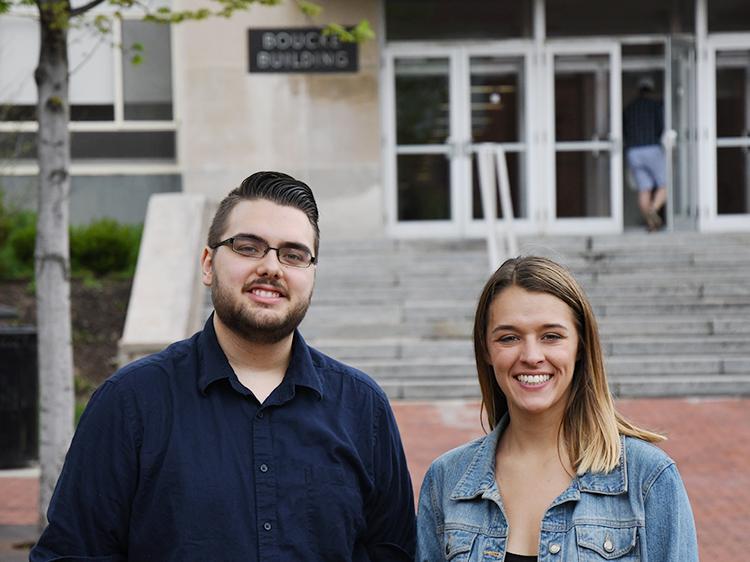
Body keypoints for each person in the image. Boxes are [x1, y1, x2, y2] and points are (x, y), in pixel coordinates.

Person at [31, 171, 416, 561]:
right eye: (249, 247)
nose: (272, 267)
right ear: (207, 264)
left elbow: (393, 552)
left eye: (294, 255)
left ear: (311, 275)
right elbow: (73, 553)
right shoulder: (130, 402)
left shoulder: (362, 407)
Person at [416, 256, 698, 562]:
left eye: (551, 336)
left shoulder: (648, 478)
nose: (532, 355)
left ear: (580, 346)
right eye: (509, 338)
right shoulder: (446, 480)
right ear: (486, 349)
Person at [623, 76, 667, 231]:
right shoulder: (655, 106)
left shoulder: (629, 108)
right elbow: (662, 128)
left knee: (644, 188)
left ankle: (650, 224)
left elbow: (624, 131)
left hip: (633, 151)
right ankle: (653, 210)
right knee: (664, 185)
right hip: (651, 148)